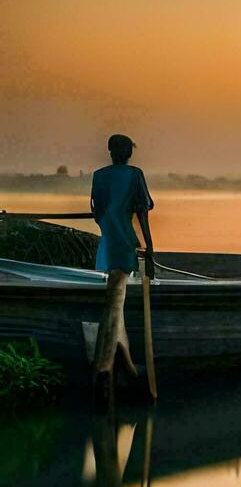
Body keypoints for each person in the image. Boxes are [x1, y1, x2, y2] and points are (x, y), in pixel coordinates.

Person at [90, 134, 153, 384]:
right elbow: (143, 211)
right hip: (126, 240)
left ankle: (125, 361)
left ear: (110, 152)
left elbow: (97, 210)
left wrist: (109, 225)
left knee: (115, 287)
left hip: (108, 240)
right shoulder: (135, 174)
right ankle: (116, 362)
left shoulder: (99, 175)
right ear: (129, 154)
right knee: (119, 288)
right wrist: (149, 245)